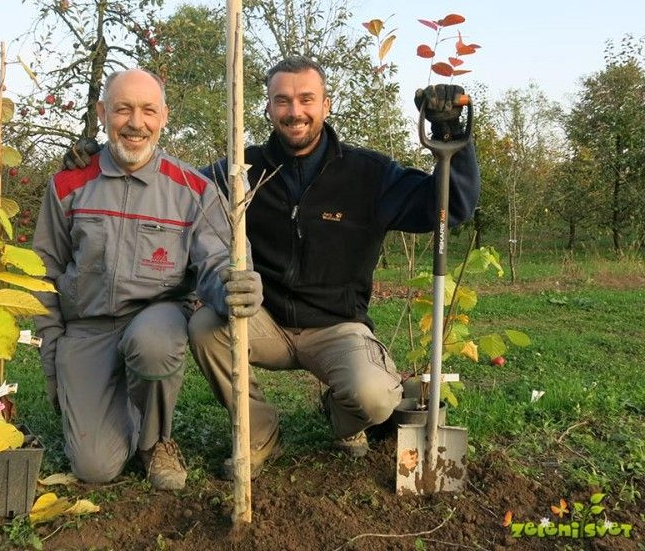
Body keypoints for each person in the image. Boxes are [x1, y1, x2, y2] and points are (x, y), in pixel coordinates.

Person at [65, 57, 480, 479]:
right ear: (267, 108)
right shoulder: (240, 172)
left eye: (306, 99)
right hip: (263, 321)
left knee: (372, 397)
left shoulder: (368, 174)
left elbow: (451, 206)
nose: (294, 111)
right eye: (282, 100)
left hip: (338, 327)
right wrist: (110, 155)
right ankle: (261, 433)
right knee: (206, 325)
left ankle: (341, 413)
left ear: (326, 105)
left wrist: (452, 139)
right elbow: (172, 183)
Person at [33, 68, 262, 490]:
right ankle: (118, 404)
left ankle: (155, 440)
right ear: (102, 113)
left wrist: (234, 284)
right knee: (94, 468)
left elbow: (215, 263)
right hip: (88, 327)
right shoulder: (67, 185)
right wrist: (53, 358)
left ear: (164, 116)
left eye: (148, 111)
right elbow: (43, 272)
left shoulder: (193, 189)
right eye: (123, 109)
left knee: (152, 344)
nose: (136, 123)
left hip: (157, 316)